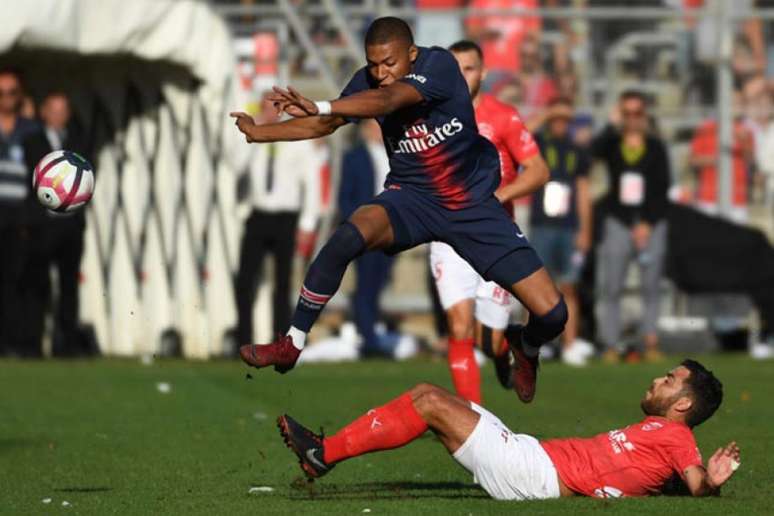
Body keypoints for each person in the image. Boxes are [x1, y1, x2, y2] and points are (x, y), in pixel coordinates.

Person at [232, 17, 567, 403]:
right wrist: (260, 132)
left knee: (553, 315)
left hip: (471, 206)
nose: (380, 73)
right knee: (346, 237)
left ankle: (524, 345)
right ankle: (292, 341)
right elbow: (327, 123)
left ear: (411, 53)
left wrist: (322, 100)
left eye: (389, 63)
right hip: (412, 198)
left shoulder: (439, 64)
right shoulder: (368, 81)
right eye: (373, 64)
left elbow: (388, 101)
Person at [277, 360, 738, 501]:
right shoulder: (662, 432)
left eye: (670, 380)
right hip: (530, 456)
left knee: (429, 403)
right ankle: (324, 453)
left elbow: (694, 482)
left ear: (683, 404)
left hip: (533, 476)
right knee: (428, 394)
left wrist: (711, 483)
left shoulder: (679, 437)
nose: (659, 378)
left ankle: (324, 453)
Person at [429, 40, 549, 403]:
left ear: (482, 72)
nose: (461, 76)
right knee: (459, 327)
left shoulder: (503, 116)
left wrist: (499, 195)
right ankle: (473, 418)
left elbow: (539, 170)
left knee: (489, 339)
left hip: (495, 237)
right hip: (448, 236)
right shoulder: (430, 116)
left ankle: (503, 348)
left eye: (469, 68)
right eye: (455, 68)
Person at [234, 91, 322, 347]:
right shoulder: (254, 136)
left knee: (282, 284)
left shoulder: (297, 139)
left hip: (286, 217)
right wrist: (255, 132)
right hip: (258, 214)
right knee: (245, 280)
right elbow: (237, 168)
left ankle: (280, 341)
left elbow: (311, 183)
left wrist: (307, 224)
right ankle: (244, 340)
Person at [591, 90, 671, 363]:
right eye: (627, 113)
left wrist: (647, 223)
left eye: (637, 113)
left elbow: (662, 188)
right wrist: (611, 125)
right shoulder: (612, 143)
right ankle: (610, 344)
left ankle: (650, 341)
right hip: (619, 220)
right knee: (611, 285)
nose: (632, 119)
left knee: (651, 286)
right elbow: (591, 153)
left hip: (651, 223)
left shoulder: (656, 146)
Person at [22, 92, 89, 357]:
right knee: (37, 284)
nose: (58, 115)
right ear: (43, 112)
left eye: (63, 110)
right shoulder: (32, 143)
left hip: (71, 227)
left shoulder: (79, 143)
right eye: (53, 109)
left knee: (69, 286)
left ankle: (67, 344)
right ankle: (32, 344)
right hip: (42, 226)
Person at [530, 97, 593, 366]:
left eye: (565, 119)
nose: (560, 124)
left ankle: (569, 344)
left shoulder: (576, 150)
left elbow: (582, 190)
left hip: (567, 226)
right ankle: (533, 343)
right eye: (556, 118)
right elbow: (520, 132)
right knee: (534, 287)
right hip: (542, 224)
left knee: (569, 286)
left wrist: (586, 229)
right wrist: (546, 113)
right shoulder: (538, 144)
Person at [339, 119, 395, 357]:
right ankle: (368, 337)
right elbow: (346, 197)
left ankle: (370, 328)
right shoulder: (354, 157)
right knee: (366, 284)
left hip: (392, 229)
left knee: (380, 280)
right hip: (367, 228)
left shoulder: (394, 154)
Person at [0, 68, 38, 357]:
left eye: (12, 92)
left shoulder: (30, 130)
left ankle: (16, 341)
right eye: (1, 93)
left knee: (17, 279)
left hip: (19, 214)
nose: (6, 98)